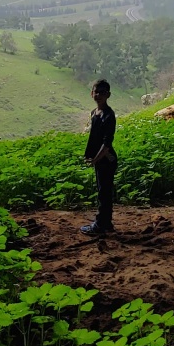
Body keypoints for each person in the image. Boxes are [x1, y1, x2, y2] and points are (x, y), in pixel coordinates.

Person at [80, 79, 118, 235]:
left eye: (102, 92)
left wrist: (96, 159)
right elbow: (94, 138)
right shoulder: (94, 113)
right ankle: (105, 223)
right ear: (91, 94)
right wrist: (91, 155)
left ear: (108, 95)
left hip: (106, 159)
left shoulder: (109, 115)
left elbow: (106, 143)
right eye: (96, 92)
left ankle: (100, 225)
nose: (99, 95)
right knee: (103, 191)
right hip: (99, 158)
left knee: (104, 192)